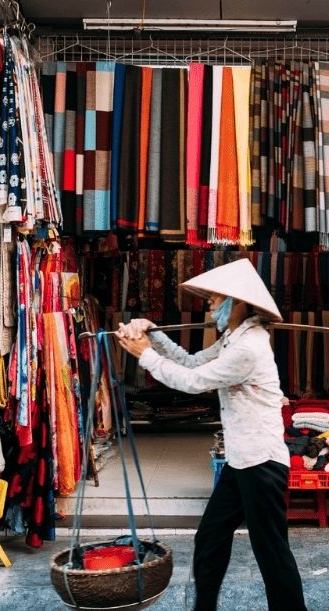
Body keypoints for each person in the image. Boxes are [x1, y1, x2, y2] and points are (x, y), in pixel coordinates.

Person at [116, 258, 307, 611]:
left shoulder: (249, 347)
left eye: (216, 298)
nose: (209, 303)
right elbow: (190, 362)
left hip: (261, 464)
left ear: (238, 303)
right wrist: (154, 336)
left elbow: (192, 383)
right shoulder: (234, 339)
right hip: (242, 461)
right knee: (210, 538)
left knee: (272, 554)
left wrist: (144, 355)